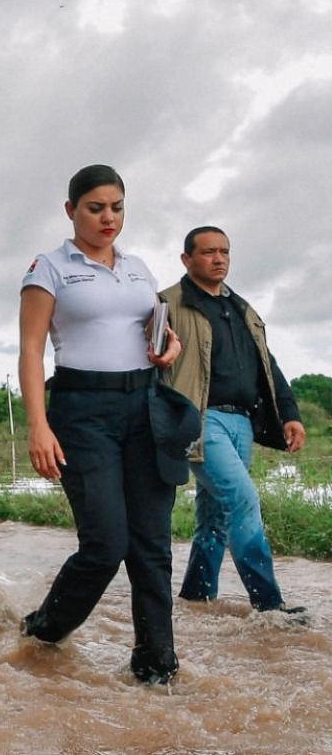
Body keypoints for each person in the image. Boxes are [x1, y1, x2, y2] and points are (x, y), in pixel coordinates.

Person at [18, 164, 184, 685]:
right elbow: (31, 349)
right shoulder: (48, 267)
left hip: (146, 409)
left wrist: (168, 348)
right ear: (71, 211)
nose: (108, 217)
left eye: (116, 207)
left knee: (152, 543)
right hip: (82, 412)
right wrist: (38, 426)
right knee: (106, 544)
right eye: (95, 208)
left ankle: (156, 664)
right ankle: (44, 632)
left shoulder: (139, 269)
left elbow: (154, 329)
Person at [159, 226, 308, 617]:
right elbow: (149, 365)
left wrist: (289, 415)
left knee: (216, 512)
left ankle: (195, 597)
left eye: (224, 251)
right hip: (199, 421)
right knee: (243, 499)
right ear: (187, 259)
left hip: (242, 422)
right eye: (208, 252)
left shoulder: (242, 309)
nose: (219, 258)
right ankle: (269, 606)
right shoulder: (166, 304)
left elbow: (267, 366)